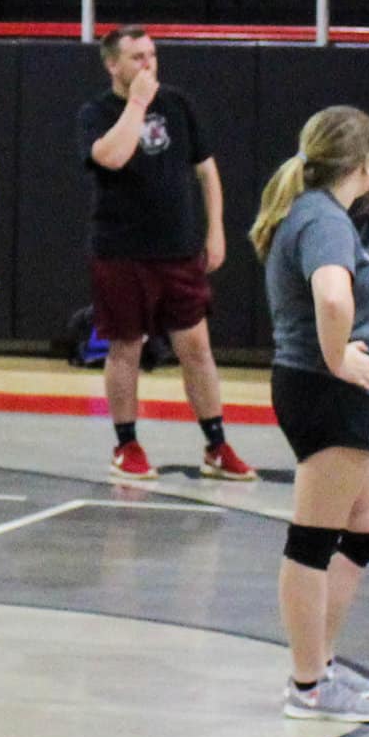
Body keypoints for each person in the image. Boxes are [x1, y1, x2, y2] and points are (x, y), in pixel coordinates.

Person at [253, 106, 369, 724]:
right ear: (364, 166)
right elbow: (332, 294)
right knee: (311, 541)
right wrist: (338, 358)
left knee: (366, 527)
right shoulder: (324, 221)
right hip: (325, 389)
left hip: (332, 390)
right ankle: (308, 685)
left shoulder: (315, 213)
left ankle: (323, 662)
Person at [77, 25, 252, 483]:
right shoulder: (97, 112)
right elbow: (111, 157)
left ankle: (216, 444)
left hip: (177, 249)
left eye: (152, 55)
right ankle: (126, 444)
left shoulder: (178, 104)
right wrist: (136, 103)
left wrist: (215, 230)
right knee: (125, 347)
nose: (148, 65)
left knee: (196, 347)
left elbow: (207, 171)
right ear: (112, 64)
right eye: (136, 57)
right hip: (120, 250)